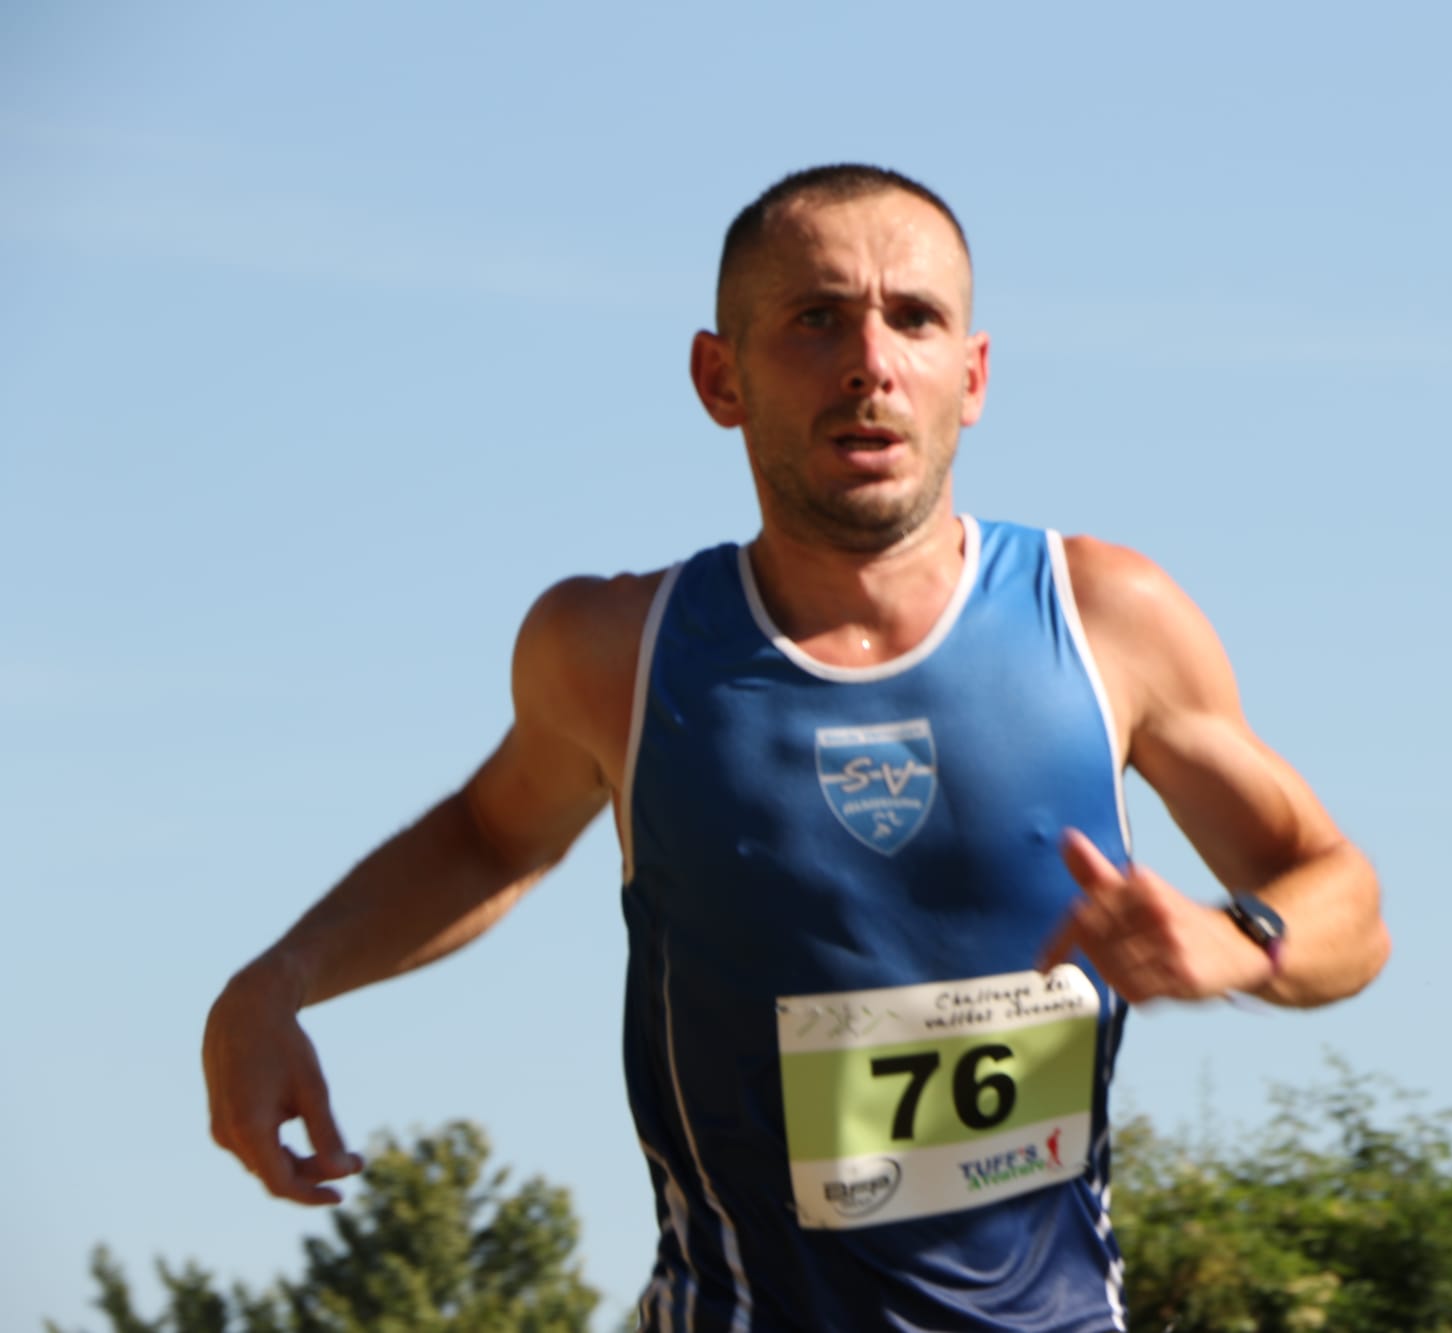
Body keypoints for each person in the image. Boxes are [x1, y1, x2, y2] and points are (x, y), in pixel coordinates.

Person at [203, 163, 1390, 1332]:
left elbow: (1343, 899)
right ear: (719, 377)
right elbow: (483, 837)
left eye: (914, 320)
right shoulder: (616, 648)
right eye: (816, 320)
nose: (870, 363)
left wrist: (1234, 940)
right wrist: (278, 981)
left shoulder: (1103, 617)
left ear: (969, 378)